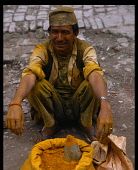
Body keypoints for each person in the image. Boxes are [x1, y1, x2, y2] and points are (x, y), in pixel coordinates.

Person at [6, 6, 113, 143]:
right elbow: (30, 73)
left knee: (94, 81)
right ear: (49, 33)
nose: (59, 38)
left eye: (65, 32)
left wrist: (105, 102)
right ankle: (51, 124)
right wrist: (16, 103)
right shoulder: (42, 49)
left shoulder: (85, 49)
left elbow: (94, 72)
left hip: (78, 104)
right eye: (55, 32)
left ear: (75, 33)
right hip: (53, 105)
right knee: (35, 84)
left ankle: (85, 123)